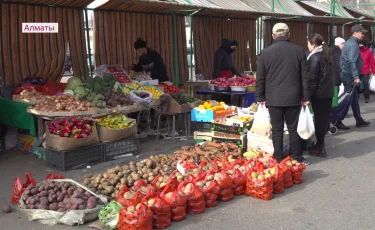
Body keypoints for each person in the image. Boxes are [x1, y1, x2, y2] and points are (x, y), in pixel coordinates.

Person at [256, 23, 310, 165]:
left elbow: (260, 77)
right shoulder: (299, 51)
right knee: (293, 129)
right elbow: (305, 76)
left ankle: (279, 158)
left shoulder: (265, 52)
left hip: (273, 98)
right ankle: (296, 158)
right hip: (293, 97)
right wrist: (306, 97)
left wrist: (260, 98)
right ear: (289, 35)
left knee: (277, 130)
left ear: (273, 36)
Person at [306, 34, 334, 158]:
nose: (307, 47)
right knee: (323, 120)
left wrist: (308, 96)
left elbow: (312, 79)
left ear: (314, 45)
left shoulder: (315, 57)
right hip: (328, 93)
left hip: (319, 94)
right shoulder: (327, 55)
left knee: (319, 121)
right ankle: (320, 144)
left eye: (308, 44)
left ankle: (320, 147)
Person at [340, 25, 371, 128]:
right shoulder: (353, 45)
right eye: (362, 33)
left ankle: (358, 119)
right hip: (349, 75)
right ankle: (337, 119)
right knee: (347, 99)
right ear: (356, 33)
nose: (363, 34)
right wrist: (356, 77)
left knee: (353, 98)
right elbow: (352, 62)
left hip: (347, 74)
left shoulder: (349, 43)